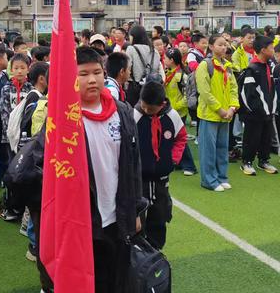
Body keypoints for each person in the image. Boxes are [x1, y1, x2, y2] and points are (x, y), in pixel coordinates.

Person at [29, 47, 143, 293]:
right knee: (87, 282)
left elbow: (133, 164)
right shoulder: (62, 118)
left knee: (117, 280)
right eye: (83, 74)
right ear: (72, 78)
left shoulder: (121, 111)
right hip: (82, 221)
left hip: (117, 217)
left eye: (97, 72)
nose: (92, 80)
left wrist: (135, 208)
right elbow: (43, 168)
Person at [134, 81, 187, 249]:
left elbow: (181, 138)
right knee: (137, 218)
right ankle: (138, 253)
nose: (147, 110)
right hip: (139, 179)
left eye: (152, 109)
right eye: (144, 106)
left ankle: (156, 251)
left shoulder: (172, 117)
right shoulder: (133, 116)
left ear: (162, 103)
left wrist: (172, 160)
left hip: (162, 178)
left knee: (160, 215)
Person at [196, 35, 239, 191]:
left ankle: (222, 176)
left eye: (225, 44)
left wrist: (232, 108)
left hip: (225, 115)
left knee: (222, 148)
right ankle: (209, 180)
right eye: (220, 44)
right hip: (210, 114)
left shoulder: (227, 66)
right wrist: (220, 109)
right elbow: (204, 92)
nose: (223, 47)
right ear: (211, 47)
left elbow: (234, 88)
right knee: (208, 149)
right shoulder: (205, 65)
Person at [0, 53, 33, 221]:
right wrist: (11, 133)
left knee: (24, 170)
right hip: (10, 137)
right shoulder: (6, 88)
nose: (19, 71)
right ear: (11, 70)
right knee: (11, 169)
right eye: (16, 68)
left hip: (25, 138)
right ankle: (10, 205)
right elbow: (4, 113)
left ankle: (23, 207)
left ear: (28, 69)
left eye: (22, 68)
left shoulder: (30, 89)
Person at [239, 35, 278, 175]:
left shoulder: (268, 66)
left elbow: (271, 89)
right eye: (271, 48)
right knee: (251, 138)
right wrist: (256, 109)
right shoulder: (252, 68)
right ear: (263, 50)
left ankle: (264, 160)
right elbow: (247, 94)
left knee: (265, 137)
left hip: (268, 111)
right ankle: (246, 162)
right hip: (254, 114)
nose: (273, 50)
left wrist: (271, 108)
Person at [164, 48, 197, 176]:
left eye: (166, 58)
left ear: (171, 60)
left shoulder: (182, 76)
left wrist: (175, 106)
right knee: (172, 138)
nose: (164, 60)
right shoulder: (168, 73)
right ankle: (178, 162)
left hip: (179, 112)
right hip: (170, 110)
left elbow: (186, 96)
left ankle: (190, 166)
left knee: (179, 138)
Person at [125, 25, 165, 106]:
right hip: (152, 87)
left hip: (135, 88)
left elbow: (127, 67)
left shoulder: (131, 49)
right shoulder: (154, 51)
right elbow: (157, 68)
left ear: (133, 36)